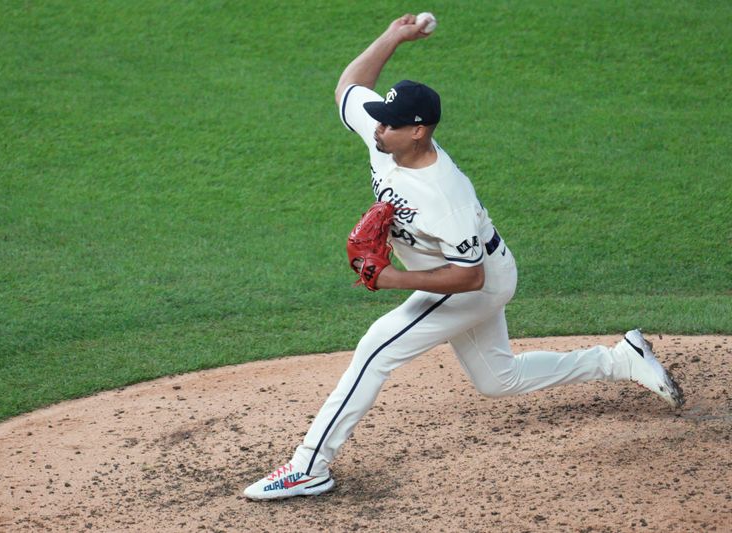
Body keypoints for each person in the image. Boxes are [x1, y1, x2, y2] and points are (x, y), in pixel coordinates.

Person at [243, 13, 684, 501]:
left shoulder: (443, 193)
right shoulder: (384, 133)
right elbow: (349, 86)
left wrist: (387, 279)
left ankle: (309, 465)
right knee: (499, 379)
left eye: (389, 125)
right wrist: (392, 37)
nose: (377, 127)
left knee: (375, 350)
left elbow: (470, 277)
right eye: (379, 118)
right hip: (460, 271)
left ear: (418, 131)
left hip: (480, 279)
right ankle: (621, 359)